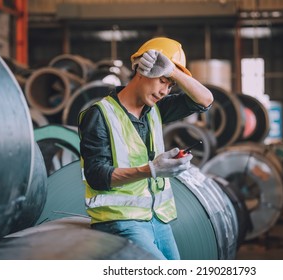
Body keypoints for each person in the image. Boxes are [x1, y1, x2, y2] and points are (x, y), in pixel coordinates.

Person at [78, 37, 214, 260]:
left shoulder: (155, 109)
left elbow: (205, 101)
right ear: (142, 69)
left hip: (158, 220)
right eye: (162, 80)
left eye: (170, 86)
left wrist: (174, 72)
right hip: (119, 222)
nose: (164, 92)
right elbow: (96, 176)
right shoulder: (99, 115)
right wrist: (152, 169)